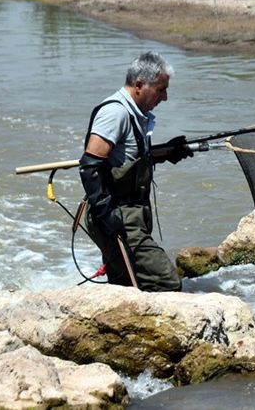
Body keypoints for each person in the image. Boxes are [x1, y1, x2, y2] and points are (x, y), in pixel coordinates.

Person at [79, 51, 192, 292]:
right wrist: (107, 214)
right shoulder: (116, 112)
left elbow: (126, 159)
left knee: (127, 286)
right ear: (139, 85)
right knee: (166, 282)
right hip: (117, 216)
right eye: (161, 89)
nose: (165, 97)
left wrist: (167, 152)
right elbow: (89, 166)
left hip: (132, 215)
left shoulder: (136, 114)